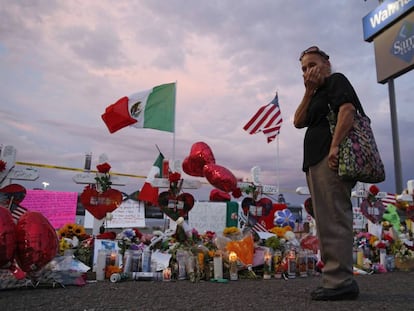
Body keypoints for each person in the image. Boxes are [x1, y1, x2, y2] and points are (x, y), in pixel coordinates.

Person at [293, 46, 360, 301]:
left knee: (335, 216)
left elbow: (348, 111)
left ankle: (341, 280)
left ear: (327, 64)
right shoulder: (316, 93)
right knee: (324, 222)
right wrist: (308, 91)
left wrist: (334, 147)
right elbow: (298, 121)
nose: (307, 71)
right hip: (314, 162)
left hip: (329, 158)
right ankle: (333, 278)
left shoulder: (336, 81)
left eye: (312, 65)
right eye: (303, 69)